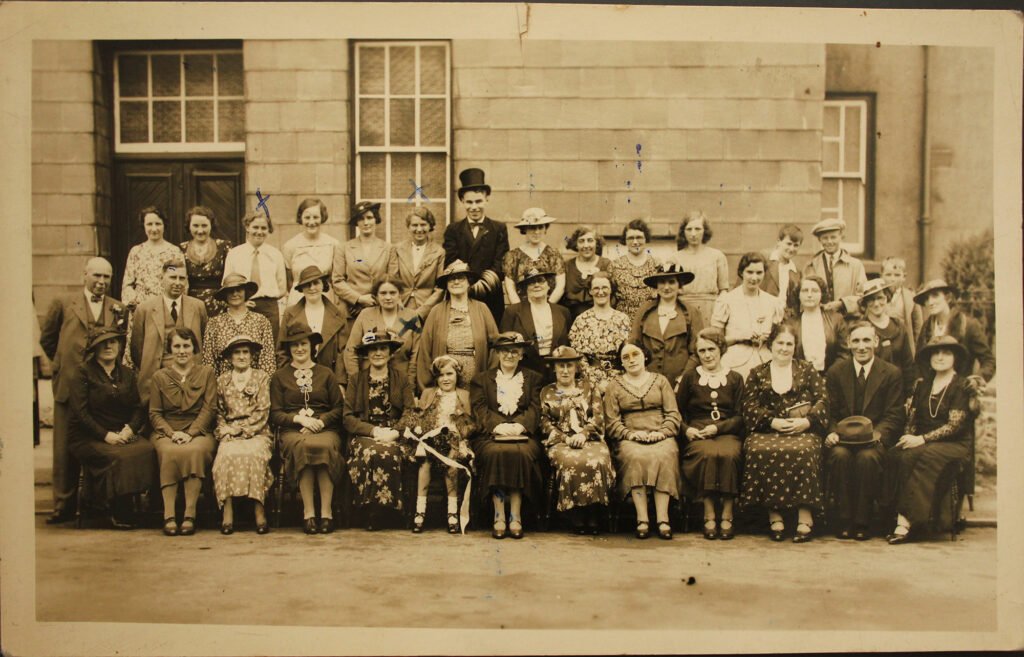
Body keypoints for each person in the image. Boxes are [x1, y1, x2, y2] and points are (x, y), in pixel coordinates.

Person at [39, 257, 127, 524]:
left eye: (106, 277)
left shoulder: (117, 308)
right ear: (84, 276)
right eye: (96, 276)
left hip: (101, 390)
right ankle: (63, 504)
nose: (101, 282)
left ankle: (95, 504)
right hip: (69, 385)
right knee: (65, 446)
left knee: (98, 443)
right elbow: (48, 339)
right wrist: (64, 367)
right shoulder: (64, 304)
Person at [739, 322, 829, 543]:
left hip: (802, 430)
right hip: (768, 430)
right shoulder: (757, 373)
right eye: (780, 343)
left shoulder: (807, 370)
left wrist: (807, 422)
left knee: (806, 450)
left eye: (790, 344)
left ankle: (805, 515)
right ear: (771, 345)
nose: (784, 348)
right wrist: (772, 422)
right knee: (758, 449)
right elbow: (749, 406)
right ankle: (774, 514)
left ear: (795, 346)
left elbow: (823, 400)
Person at [882, 336, 974, 544]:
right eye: (935, 352)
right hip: (922, 440)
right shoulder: (923, 384)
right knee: (894, 455)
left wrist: (921, 439)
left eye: (946, 353)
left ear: (955, 358)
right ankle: (889, 516)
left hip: (953, 444)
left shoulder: (961, 386)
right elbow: (912, 416)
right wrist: (908, 436)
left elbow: (954, 426)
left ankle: (907, 522)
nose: (940, 357)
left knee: (916, 456)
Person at [67, 327, 156, 529]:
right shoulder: (83, 373)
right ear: (94, 348)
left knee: (147, 449)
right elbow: (81, 414)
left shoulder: (127, 373)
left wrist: (129, 430)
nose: (109, 347)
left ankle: (138, 505)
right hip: (88, 435)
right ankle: (116, 507)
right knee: (118, 456)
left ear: (120, 346)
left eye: (113, 342)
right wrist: (106, 435)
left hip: (121, 431)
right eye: (103, 343)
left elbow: (137, 408)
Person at [824, 321, 905, 540]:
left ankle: (862, 522)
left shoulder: (891, 373)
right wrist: (832, 431)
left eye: (867, 340)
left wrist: (878, 435)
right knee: (839, 457)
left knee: (866, 459)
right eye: (856, 341)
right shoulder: (836, 372)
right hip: (843, 439)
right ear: (848, 343)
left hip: (874, 440)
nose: (862, 346)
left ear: (876, 342)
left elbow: (895, 414)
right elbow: (829, 411)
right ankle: (844, 520)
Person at [470, 332, 546, 540]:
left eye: (514, 351)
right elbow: (480, 408)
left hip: (524, 435)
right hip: (490, 435)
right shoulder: (481, 380)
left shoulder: (534, 379)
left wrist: (521, 426)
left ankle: (516, 515)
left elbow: (535, 408)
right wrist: (498, 426)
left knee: (520, 453)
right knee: (497, 452)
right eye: (504, 351)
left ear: (522, 354)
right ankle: (499, 516)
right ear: (497, 354)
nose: (509, 356)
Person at [270, 324, 345, 534]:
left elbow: (339, 408)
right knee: (304, 447)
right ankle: (309, 513)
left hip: (325, 428)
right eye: (294, 345)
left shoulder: (326, 374)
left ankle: (327, 513)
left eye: (303, 344)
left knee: (323, 446)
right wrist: (299, 420)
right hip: (294, 431)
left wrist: (320, 422)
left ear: (312, 346)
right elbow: (275, 413)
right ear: (289, 348)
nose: (299, 348)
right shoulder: (279, 377)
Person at [604, 342, 682, 540]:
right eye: (625, 357)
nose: (631, 360)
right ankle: (642, 519)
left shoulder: (661, 381)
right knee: (635, 455)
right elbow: (611, 420)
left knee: (665, 454)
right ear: (621, 362)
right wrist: (629, 434)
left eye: (635, 354)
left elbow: (673, 414)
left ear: (644, 356)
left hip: (660, 434)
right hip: (629, 436)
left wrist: (662, 432)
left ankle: (663, 519)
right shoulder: (614, 385)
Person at [393, 355, 476, 534]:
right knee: (425, 463)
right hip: (431, 439)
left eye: (449, 374)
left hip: (455, 441)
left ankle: (452, 512)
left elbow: (470, 423)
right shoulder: (429, 394)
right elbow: (420, 418)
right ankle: (420, 511)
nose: (445, 379)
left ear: (457, 375)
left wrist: (460, 430)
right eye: (440, 375)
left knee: (451, 465)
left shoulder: (463, 395)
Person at [676, 328, 745, 540]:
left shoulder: (735, 378)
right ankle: (708, 515)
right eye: (702, 351)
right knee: (706, 454)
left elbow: (741, 416)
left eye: (711, 349)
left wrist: (719, 428)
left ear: (721, 349)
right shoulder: (689, 378)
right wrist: (687, 430)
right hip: (698, 434)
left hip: (727, 433)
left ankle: (727, 514)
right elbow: (675, 413)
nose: (707, 355)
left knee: (729, 454)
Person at [148, 328, 218, 537]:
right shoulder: (160, 377)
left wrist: (192, 432)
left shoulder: (206, 373)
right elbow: (154, 413)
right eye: (177, 346)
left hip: (199, 431)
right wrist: (171, 433)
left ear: (194, 348)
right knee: (168, 452)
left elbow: (209, 408)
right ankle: (169, 515)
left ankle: (190, 514)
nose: (182, 351)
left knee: (195, 450)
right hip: (167, 431)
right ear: (170, 349)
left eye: (186, 346)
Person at [343, 328, 414, 530]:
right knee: (371, 451)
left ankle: (388, 511)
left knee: (389, 452)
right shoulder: (356, 380)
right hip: (365, 434)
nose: (378, 353)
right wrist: (373, 431)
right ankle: (370, 511)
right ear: (366, 353)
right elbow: (347, 418)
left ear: (390, 353)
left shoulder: (400, 378)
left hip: (394, 434)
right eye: (373, 349)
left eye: (382, 348)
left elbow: (410, 412)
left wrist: (396, 432)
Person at [539, 346, 615, 535]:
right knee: (571, 461)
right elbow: (545, 423)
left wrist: (583, 434)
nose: (565, 370)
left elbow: (598, 417)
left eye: (569, 366)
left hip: (589, 438)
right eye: (561, 366)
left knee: (598, 459)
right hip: (561, 441)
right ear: (554, 368)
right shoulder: (547, 392)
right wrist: (566, 438)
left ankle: (594, 512)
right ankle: (576, 514)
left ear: (576, 367)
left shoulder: (589, 387)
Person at [212, 335, 275, 535]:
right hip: (230, 432)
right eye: (237, 353)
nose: (241, 356)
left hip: (257, 431)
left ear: (252, 355)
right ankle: (227, 510)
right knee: (225, 455)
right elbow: (218, 412)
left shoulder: (261, 377)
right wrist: (225, 430)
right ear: (230, 357)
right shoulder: (222, 380)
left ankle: (259, 509)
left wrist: (243, 430)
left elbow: (263, 410)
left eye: (245, 352)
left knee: (254, 455)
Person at [131, 258, 208, 407]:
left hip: (190, 378)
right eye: (173, 277)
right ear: (162, 279)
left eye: (182, 278)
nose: (178, 282)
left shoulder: (198, 307)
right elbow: (137, 350)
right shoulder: (145, 309)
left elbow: (203, 342)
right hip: (155, 378)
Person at [415, 260, 499, 393]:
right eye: (451, 279)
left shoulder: (482, 309)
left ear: (468, 283)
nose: (456, 282)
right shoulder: (436, 311)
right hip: (446, 377)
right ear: (447, 285)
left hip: (475, 377)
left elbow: (496, 346)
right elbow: (425, 349)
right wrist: (426, 387)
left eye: (461, 278)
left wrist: (489, 378)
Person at [442, 168, 509, 324]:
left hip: (491, 296)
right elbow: (451, 261)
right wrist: (466, 287)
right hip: (460, 294)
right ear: (462, 202)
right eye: (469, 202)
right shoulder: (453, 230)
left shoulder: (498, 228)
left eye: (478, 201)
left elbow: (501, 262)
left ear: (486, 199)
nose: (474, 207)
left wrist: (481, 286)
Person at [711, 252, 784, 379]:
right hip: (735, 364)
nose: (754, 278)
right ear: (741, 272)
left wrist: (769, 337)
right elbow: (714, 342)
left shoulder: (773, 302)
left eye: (759, 273)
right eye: (750, 272)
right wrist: (740, 337)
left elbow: (778, 339)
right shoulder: (727, 301)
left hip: (766, 362)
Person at [629, 263, 702, 387]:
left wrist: (683, 379)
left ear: (679, 285)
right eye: (662, 282)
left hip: (679, 382)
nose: (666, 287)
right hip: (647, 380)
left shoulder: (691, 312)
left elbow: (697, 351)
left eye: (672, 282)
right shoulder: (645, 311)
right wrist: (641, 375)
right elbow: (634, 345)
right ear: (656, 286)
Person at [914, 279, 995, 387]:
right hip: (931, 392)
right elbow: (919, 361)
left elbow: (988, 361)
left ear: (947, 298)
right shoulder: (926, 328)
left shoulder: (968, 325)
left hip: (959, 393)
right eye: (926, 299)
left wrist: (975, 381)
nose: (930, 302)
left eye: (935, 296)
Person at [222, 211, 287, 344]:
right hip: (242, 305)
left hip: (269, 308)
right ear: (247, 227)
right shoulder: (235, 254)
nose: (259, 232)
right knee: (243, 345)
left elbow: (282, 287)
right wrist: (241, 302)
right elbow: (225, 284)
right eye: (255, 227)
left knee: (269, 347)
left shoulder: (275, 255)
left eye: (264, 228)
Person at [343, 277, 419, 385]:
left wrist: (410, 385)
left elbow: (415, 355)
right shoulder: (365, 314)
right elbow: (351, 350)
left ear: (400, 295)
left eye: (393, 293)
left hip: (401, 381)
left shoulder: (411, 316)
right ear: (376, 296)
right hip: (369, 380)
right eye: (383, 293)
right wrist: (356, 383)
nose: (388, 297)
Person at [280, 265, 348, 382]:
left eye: (316, 283)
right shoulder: (290, 313)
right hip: (297, 377)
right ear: (301, 288)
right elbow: (281, 351)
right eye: (307, 284)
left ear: (323, 284)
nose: (312, 288)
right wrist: (288, 380)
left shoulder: (338, 314)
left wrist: (340, 383)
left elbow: (342, 352)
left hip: (329, 379)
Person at [200, 273, 275, 377]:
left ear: (246, 292)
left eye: (239, 290)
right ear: (225, 294)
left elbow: (268, 360)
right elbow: (209, 361)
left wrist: (262, 386)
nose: (235, 294)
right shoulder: (214, 323)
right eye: (230, 291)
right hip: (224, 387)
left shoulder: (261, 321)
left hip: (255, 386)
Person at [500, 267, 571, 377]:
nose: (536, 285)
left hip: (556, 371)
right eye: (531, 282)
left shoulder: (563, 312)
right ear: (525, 288)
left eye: (541, 281)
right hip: (525, 370)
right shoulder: (513, 312)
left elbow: (568, 344)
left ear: (549, 285)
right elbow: (503, 344)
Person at [333, 201, 397, 320]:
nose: (366, 222)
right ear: (356, 222)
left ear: (375, 220)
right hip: (352, 310)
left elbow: (392, 280)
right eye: (361, 219)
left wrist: (376, 299)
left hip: (379, 308)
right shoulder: (344, 248)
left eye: (369, 218)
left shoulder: (388, 249)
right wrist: (358, 299)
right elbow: (337, 281)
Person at [569, 272, 631, 393]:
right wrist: (595, 382)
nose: (600, 292)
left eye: (604, 287)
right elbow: (579, 358)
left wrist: (617, 381)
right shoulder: (581, 320)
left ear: (611, 290)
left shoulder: (623, 319)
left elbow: (628, 352)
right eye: (596, 288)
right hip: (590, 381)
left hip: (620, 380)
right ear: (590, 291)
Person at [120, 206, 185, 317]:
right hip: (140, 308)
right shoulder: (136, 252)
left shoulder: (173, 252)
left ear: (164, 225)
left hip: (165, 306)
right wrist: (133, 300)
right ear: (143, 226)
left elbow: (180, 280)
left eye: (158, 224)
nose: (154, 229)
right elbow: (128, 283)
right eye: (149, 224)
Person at [670, 211, 730, 324]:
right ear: (683, 232)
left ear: (705, 231)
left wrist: (719, 316)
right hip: (683, 309)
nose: (693, 234)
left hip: (711, 310)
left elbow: (724, 291)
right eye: (689, 229)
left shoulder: (717, 256)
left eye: (698, 229)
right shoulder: (675, 259)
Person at [859, 278, 915, 396]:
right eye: (871, 299)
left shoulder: (898, 326)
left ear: (887, 298)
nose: (876, 303)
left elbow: (908, 363)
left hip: (898, 390)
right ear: (865, 303)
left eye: (880, 298)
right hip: (871, 392)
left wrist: (910, 394)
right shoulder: (862, 329)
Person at [282, 198, 342, 306]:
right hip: (298, 298)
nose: (311, 222)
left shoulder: (333, 244)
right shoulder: (290, 246)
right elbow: (289, 280)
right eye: (307, 217)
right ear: (301, 218)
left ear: (322, 218)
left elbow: (335, 278)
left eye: (315, 217)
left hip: (325, 297)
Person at [803, 218, 868, 316]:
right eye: (825, 238)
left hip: (848, 321)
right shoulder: (811, 265)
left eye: (833, 237)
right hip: (820, 320)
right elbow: (805, 294)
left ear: (841, 237)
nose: (829, 242)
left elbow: (864, 297)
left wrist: (842, 304)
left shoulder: (855, 265)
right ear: (819, 240)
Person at [502, 208, 565, 305]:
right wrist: (521, 311)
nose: (536, 232)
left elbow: (560, 286)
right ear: (525, 229)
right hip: (522, 310)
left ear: (545, 228)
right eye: (532, 228)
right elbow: (510, 288)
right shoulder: (512, 256)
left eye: (540, 227)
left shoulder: (554, 254)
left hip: (549, 308)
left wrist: (547, 308)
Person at [391, 207, 446, 316]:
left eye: (423, 224)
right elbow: (393, 279)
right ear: (408, 227)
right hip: (400, 306)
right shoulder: (397, 249)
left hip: (427, 308)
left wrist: (422, 312)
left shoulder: (439, 252)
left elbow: (440, 288)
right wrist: (397, 302)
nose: (419, 229)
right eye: (415, 225)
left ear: (430, 226)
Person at [179, 206, 232, 318]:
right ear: (189, 226)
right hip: (191, 303)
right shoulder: (181, 248)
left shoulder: (224, 247)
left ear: (211, 225)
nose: (200, 230)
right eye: (195, 225)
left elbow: (231, 276)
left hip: (219, 303)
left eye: (204, 225)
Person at [792, 275, 849, 374]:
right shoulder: (791, 323)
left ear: (822, 294)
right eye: (805, 291)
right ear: (798, 295)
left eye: (814, 291)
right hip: (800, 379)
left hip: (830, 377)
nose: (809, 295)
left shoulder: (836, 320)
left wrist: (831, 375)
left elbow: (844, 354)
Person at [607, 218, 659, 325]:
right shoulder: (615, 265)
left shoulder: (656, 265)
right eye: (631, 238)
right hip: (622, 321)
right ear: (625, 241)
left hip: (650, 319)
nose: (635, 242)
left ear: (646, 239)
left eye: (639, 237)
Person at [562, 225, 611, 320]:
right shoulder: (567, 266)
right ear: (576, 244)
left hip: (600, 319)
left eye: (590, 240)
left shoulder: (606, 264)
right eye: (581, 241)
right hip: (571, 320)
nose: (586, 245)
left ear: (597, 243)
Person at [881, 256, 923, 356]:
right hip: (882, 345)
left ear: (904, 277)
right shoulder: (877, 297)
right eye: (888, 275)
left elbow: (918, 327)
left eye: (897, 275)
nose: (892, 279)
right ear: (881, 276)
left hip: (903, 345)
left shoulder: (911, 297)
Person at [761, 223, 804, 319]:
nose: (791, 248)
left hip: (784, 322)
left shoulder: (796, 271)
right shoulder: (764, 260)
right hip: (761, 317)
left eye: (796, 245)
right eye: (788, 244)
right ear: (779, 242)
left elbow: (794, 304)